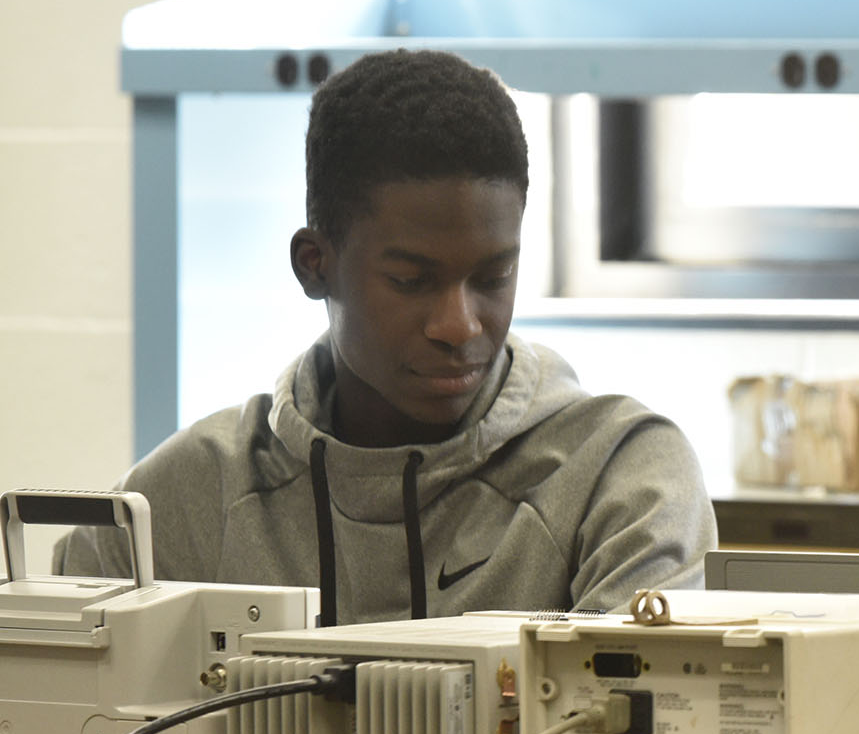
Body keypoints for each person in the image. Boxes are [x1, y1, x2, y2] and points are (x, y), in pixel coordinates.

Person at [56, 48, 716, 622]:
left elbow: (634, 723)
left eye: (493, 276)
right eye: (411, 280)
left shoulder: (622, 477)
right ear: (315, 265)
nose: (459, 325)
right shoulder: (181, 503)